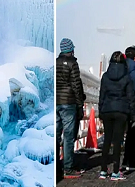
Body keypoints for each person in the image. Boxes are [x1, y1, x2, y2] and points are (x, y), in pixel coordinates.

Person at [98, 51, 135, 181]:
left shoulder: (105, 76)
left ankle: (103, 170)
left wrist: (101, 111)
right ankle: (115, 172)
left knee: (107, 140)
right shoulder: (126, 77)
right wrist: (133, 115)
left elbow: (102, 95)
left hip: (107, 110)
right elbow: (131, 97)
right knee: (117, 141)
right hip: (121, 111)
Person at [56, 38, 85, 179]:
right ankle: (68, 168)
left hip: (56, 103)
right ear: (71, 50)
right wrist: (80, 104)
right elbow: (76, 85)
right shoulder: (73, 64)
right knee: (68, 136)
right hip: (68, 102)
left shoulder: (55, 63)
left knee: (55, 136)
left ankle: (56, 167)